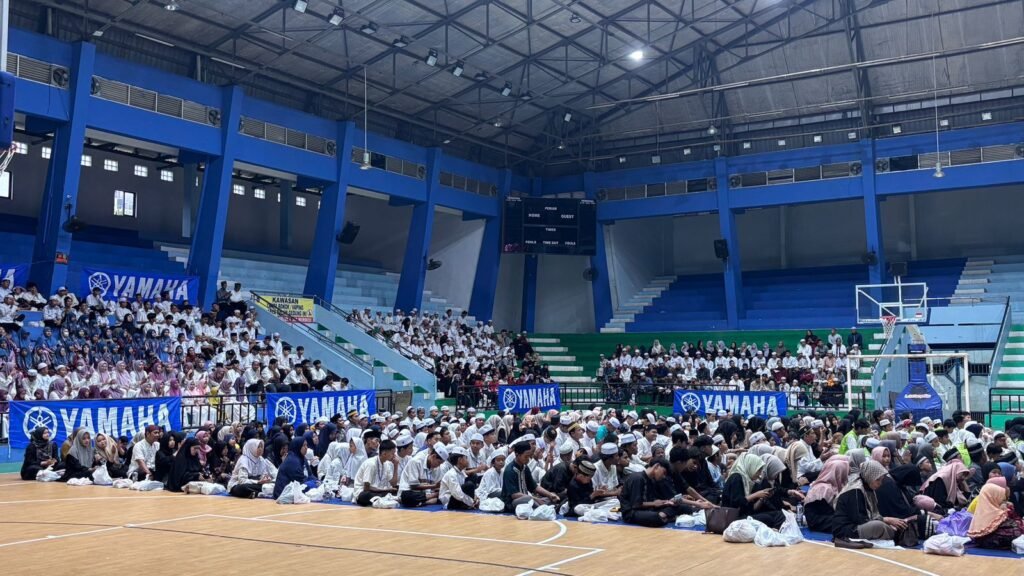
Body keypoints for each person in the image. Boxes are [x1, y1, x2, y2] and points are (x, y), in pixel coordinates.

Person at [832, 460, 905, 547]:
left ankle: (895, 536)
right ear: (869, 476)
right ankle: (897, 537)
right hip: (846, 530)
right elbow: (860, 519)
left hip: (856, 526)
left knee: (883, 525)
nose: (880, 483)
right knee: (879, 526)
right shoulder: (856, 491)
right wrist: (886, 520)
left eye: (881, 480)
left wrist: (885, 521)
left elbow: (872, 515)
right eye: (877, 480)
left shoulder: (867, 488)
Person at [723, 453, 785, 529]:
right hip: (734, 519)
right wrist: (756, 495)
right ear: (751, 466)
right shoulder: (736, 478)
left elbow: (752, 509)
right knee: (773, 518)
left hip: (743, 516)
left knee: (778, 514)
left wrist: (762, 498)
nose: (759, 475)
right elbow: (736, 503)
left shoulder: (747, 481)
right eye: (758, 470)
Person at [620, 458, 682, 527]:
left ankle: (662, 516)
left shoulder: (651, 480)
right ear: (657, 466)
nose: (663, 477)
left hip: (647, 509)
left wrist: (665, 502)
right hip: (632, 513)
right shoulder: (637, 478)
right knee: (654, 517)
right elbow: (635, 504)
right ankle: (663, 517)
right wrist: (654, 503)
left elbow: (651, 500)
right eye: (664, 473)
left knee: (678, 506)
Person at [501, 441, 560, 513]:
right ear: (517, 455)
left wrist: (550, 495)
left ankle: (545, 507)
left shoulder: (525, 467)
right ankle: (545, 508)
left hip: (527, 498)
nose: (528, 459)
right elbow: (514, 495)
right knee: (529, 499)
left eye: (529, 456)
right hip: (511, 503)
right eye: (526, 456)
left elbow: (534, 486)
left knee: (550, 496)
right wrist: (535, 499)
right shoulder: (509, 470)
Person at [968, 481, 1024, 549]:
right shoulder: (996, 512)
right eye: (1002, 499)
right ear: (994, 497)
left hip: (983, 541)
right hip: (991, 540)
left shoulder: (982, 510)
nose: (1005, 502)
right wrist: (1009, 510)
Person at [803, 456, 850, 532]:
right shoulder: (823, 490)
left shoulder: (834, 486)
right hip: (818, 523)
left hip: (826, 521)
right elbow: (817, 519)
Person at [352, 439, 399, 507]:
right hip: (363, 492)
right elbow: (366, 487)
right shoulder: (371, 464)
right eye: (392, 453)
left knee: (395, 491)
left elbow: (393, 484)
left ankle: (382, 499)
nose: (394, 456)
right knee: (366, 496)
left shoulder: (387, 464)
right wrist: (385, 489)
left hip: (378, 491)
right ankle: (383, 499)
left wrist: (396, 466)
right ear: (384, 453)